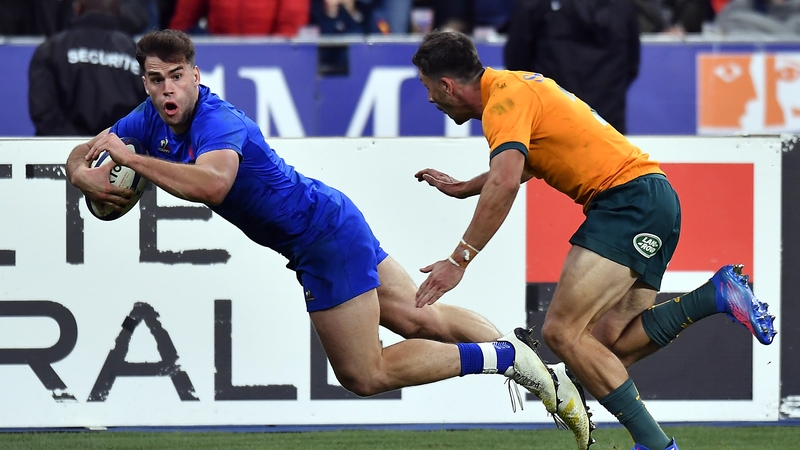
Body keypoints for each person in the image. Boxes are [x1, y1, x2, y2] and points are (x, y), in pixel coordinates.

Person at [64, 29, 570, 424]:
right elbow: (86, 150)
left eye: (177, 76)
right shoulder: (148, 118)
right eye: (156, 79)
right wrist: (81, 174)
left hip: (320, 238)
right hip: (331, 218)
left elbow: (214, 184)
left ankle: (503, 358)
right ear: (146, 83)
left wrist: (134, 161)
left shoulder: (218, 120)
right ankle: (535, 368)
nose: (168, 88)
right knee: (421, 319)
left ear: (195, 75)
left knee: (364, 373)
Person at [411, 30, 777, 450]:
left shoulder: (503, 102)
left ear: (447, 85)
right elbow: (524, 164)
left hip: (627, 203)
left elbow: (507, 181)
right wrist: (467, 187)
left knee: (562, 333)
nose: (429, 99)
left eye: (427, 87)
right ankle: (713, 296)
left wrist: (459, 260)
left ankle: (656, 445)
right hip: (653, 199)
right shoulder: (516, 86)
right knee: (607, 347)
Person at [503, 0, 640, 135]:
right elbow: (632, 63)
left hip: (552, 118)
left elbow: (517, 61)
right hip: (607, 121)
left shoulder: (535, 4)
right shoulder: (624, 4)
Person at [28, 0, 147, 137]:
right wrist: (115, 141)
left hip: (61, 147)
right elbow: (148, 110)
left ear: (77, 8)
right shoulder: (137, 54)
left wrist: (77, 145)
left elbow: (44, 112)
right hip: (121, 145)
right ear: (119, 12)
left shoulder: (51, 49)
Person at [168, 0, 310, 37]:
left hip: (271, 55)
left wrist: (276, 51)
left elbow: (292, 20)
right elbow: (185, 18)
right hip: (220, 51)